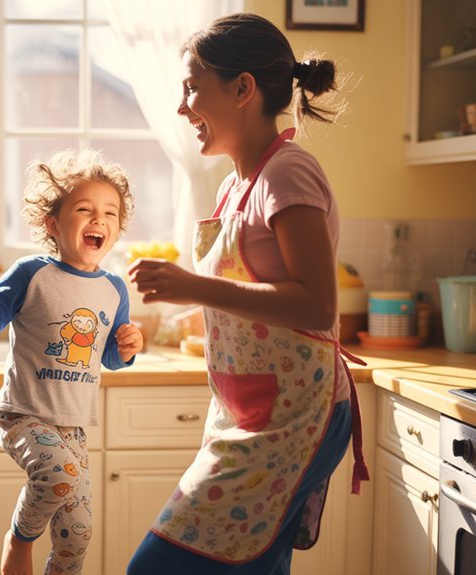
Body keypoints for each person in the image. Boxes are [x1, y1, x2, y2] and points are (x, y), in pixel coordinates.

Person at [125, 12, 369, 575]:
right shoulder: (239, 183)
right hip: (250, 409)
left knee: (153, 569)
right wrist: (188, 313)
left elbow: (315, 304)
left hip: (293, 415)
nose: (182, 108)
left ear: (242, 89)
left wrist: (193, 284)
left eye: (192, 88)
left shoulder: (289, 173)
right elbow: (251, 296)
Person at [0, 149, 145, 575]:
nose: (99, 220)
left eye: (110, 213)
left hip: (72, 425)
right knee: (58, 474)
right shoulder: (31, 272)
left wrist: (128, 348)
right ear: (52, 223)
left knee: (78, 533)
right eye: (85, 209)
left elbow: (108, 356)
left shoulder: (115, 289)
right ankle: (19, 539)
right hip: (23, 415)